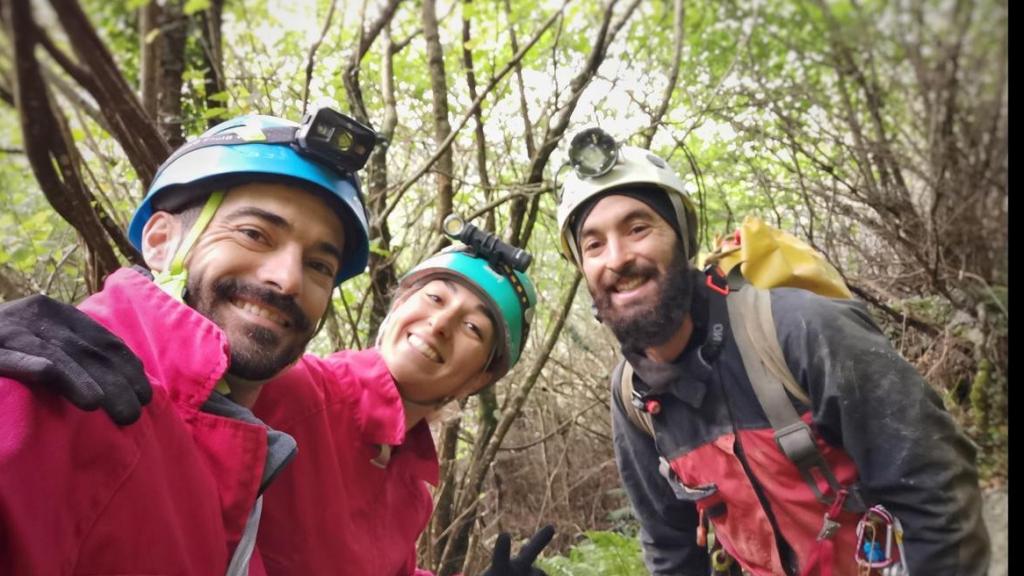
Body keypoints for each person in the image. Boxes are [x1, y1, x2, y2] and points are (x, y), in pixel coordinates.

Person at [0, 110, 552, 575]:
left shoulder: (409, 474)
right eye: (254, 234)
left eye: (475, 328)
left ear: (484, 376)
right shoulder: (292, 394)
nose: (439, 324)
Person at [552, 127, 990, 575]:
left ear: (681, 239)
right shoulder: (633, 397)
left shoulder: (798, 329)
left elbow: (935, 487)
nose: (618, 257)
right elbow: (670, 546)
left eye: (638, 227)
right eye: (594, 244)